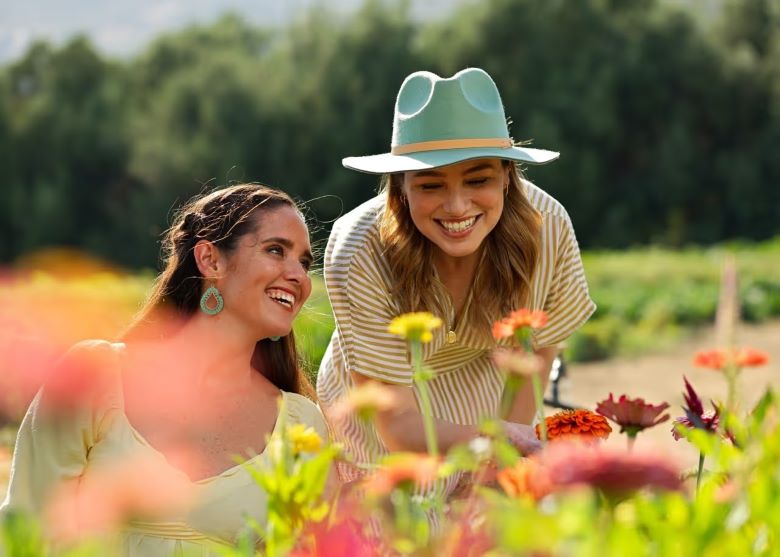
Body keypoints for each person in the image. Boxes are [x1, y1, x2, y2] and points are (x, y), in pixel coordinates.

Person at [1, 184, 329, 554]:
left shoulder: (302, 425)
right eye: (276, 250)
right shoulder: (95, 376)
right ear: (210, 260)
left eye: (304, 262)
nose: (299, 276)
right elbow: (28, 529)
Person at [317, 68, 596, 491]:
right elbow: (397, 425)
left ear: (507, 174)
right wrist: (492, 442)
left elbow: (535, 359)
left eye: (478, 179)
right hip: (382, 413)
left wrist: (502, 459)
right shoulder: (358, 249)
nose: (457, 205)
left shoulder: (549, 227)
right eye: (431, 184)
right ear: (401, 188)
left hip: (493, 393)